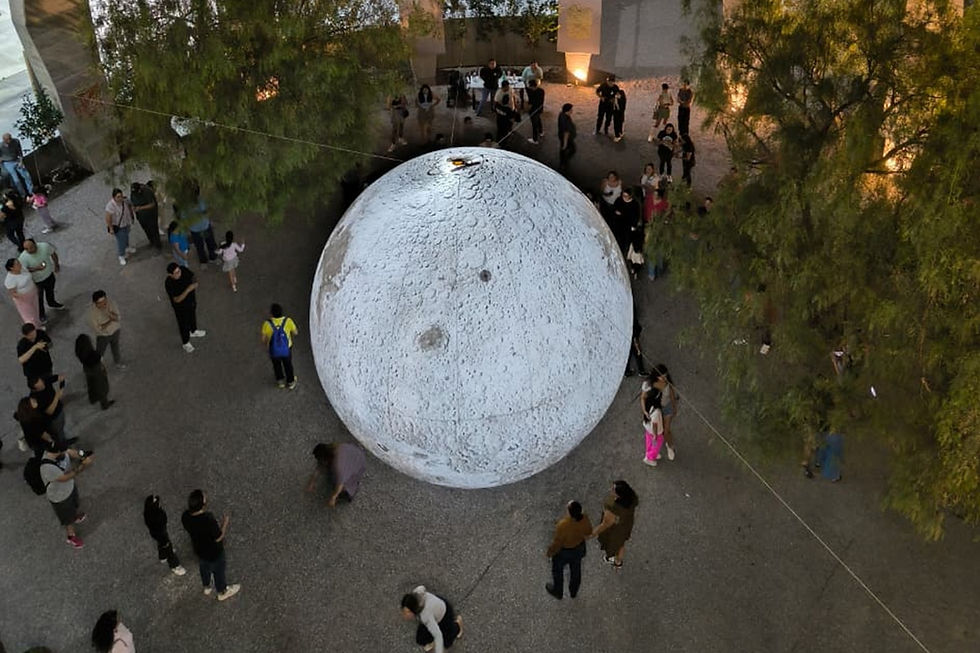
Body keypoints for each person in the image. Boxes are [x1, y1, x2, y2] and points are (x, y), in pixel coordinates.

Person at [181, 489, 241, 601]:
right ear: (202, 505)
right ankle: (222, 591)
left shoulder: (185, 516)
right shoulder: (208, 519)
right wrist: (225, 523)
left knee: (204, 569)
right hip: (214, 552)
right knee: (219, 572)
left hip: (199, 550)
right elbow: (218, 537)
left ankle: (206, 586)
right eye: (204, 498)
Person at [39, 441, 93, 549]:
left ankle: (75, 515)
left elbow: (72, 452)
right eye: (63, 450)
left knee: (75, 504)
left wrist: (83, 455)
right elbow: (66, 477)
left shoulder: (58, 450)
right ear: (56, 451)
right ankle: (71, 536)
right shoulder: (47, 468)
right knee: (67, 519)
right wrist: (83, 465)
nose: (66, 451)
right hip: (60, 497)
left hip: (70, 487)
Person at [545, 500, 593, 600]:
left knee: (557, 571)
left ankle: (558, 591)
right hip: (578, 548)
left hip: (565, 552)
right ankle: (573, 591)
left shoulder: (563, 525)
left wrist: (550, 552)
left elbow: (558, 543)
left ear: (569, 512)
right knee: (576, 570)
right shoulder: (585, 518)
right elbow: (589, 532)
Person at [590, 480, 639, 568]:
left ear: (619, 496)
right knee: (621, 543)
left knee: (613, 545)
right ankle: (618, 561)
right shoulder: (632, 498)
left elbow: (606, 524)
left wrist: (592, 534)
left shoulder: (613, 507)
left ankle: (615, 559)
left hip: (615, 530)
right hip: (626, 524)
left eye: (613, 490)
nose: (611, 490)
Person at [400, 586, 463, 653]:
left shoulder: (425, 616)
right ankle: (430, 640)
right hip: (436, 605)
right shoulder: (416, 595)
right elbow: (421, 587)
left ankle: (458, 625)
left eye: (407, 612)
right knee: (421, 638)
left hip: (444, 614)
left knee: (447, 641)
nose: (404, 615)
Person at [306, 442, 367, 507]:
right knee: (336, 474)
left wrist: (333, 497)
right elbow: (319, 467)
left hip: (358, 463)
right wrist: (312, 482)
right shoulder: (333, 449)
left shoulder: (339, 466)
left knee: (345, 486)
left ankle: (347, 493)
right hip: (353, 453)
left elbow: (340, 484)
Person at [19, 239, 65, 321]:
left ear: (35, 244)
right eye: (26, 249)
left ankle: (52, 303)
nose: (29, 250)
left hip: (49, 275)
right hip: (37, 282)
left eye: (31, 247)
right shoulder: (23, 258)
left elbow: (53, 254)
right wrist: (37, 268)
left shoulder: (44, 246)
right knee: (39, 299)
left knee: (50, 291)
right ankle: (41, 314)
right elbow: (24, 270)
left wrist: (56, 264)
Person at [165, 263, 206, 352]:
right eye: (176, 273)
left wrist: (195, 282)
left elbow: (192, 275)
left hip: (191, 301)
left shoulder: (183, 270)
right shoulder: (169, 283)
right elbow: (177, 299)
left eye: (179, 271)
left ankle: (193, 331)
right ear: (170, 275)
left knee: (192, 316)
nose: (179, 273)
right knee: (183, 324)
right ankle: (186, 342)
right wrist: (188, 290)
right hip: (181, 308)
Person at [143, 495, 187, 576]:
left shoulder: (147, 513)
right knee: (168, 547)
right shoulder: (158, 516)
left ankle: (162, 556)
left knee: (161, 544)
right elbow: (164, 520)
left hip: (155, 533)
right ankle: (175, 566)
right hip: (161, 534)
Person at [261, 303, 298, 389]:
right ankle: (291, 382)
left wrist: (267, 344)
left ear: (271, 314)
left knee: (276, 365)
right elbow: (296, 332)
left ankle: (280, 381)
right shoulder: (288, 321)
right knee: (288, 365)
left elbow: (263, 339)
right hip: (286, 348)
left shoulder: (267, 324)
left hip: (273, 349)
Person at [74, 334, 114, 410]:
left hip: (87, 369)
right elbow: (99, 361)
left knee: (91, 384)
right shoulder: (93, 354)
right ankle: (105, 405)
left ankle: (93, 399)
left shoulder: (80, 353)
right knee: (101, 387)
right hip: (96, 370)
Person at [29, 373, 69, 446]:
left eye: (42, 382)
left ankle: (64, 440)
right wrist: (57, 397)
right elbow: (49, 412)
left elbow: (56, 377)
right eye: (41, 385)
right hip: (53, 419)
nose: (44, 384)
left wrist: (61, 381)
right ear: (35, 389)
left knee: (61, 429)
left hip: (59, 410)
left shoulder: (44, 381)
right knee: (57, 433)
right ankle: (62, 446)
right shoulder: (35, 399)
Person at [88, 290, 125, 368]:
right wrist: (110, 320)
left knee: (116, 348)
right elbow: (99, 328)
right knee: (100, 352)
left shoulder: (111, 303)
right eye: (100, 303)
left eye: (104, 301)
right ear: (95, 303)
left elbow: (118, 317)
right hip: (103, 336)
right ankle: (96, 367)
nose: (103, 304)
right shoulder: (92, 314)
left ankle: (118, 362)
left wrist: (109, 314)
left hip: (115, 331)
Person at [651, 363, 679, 460]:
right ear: (656, 376)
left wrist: (674, 408)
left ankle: (670, 446)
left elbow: (672, 398)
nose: (663, 378)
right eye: (661, 376)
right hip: (657, 410)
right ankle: (664, 441)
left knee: (666, 430)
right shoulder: (652, 384)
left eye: (665, 376)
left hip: (667, 408)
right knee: (660, 430)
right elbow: (645, 397)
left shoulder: (668, 385)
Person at [104, 188, 137, 266]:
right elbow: (108, 218)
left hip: (126, 223)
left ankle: (127, 247)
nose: (120, 198)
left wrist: (132, 218)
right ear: (114, 197)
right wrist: (111, 228)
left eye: (121, 196)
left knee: (126, 236)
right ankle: (121, 255)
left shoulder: (125, 201)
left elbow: (130, 207)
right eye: (118, 197)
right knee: (121, 241)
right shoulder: (110, 205)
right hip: (118, 226)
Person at [5, 258, 41, 326]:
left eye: (19, 263)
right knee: (29, 315)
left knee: (36, 310)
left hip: (32, 292)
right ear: (11, 268)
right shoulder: (10, 280)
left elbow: (29, 275)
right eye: (17, 264)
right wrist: (24, 297)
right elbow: (13, 293)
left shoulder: (22, 268)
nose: (20, 265)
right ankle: (35, 329)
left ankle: (39, 324)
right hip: (23, 298)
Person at [183, 196, 218, 267]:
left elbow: (208, 210)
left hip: (205, 227)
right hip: (195, 230)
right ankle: (203, 261)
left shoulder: (201, 200)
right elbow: (184, 218)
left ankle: (213, 257)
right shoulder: (185, 206)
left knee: (211, 243)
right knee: (199, 246)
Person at [130, 181, 162, 251]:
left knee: (154, 230)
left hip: (151, 215)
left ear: (140, 189)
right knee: (146, 229)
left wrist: (140, 208)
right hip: (141, 216)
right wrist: (133, 207)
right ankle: (151, 242)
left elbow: (152, 204)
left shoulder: (147, 192)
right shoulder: (133, 193)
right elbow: (132, 201)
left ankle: (158, 246)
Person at [0, 133, 34, 198]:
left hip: (16, 160)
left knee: (26, 176)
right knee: (16, 180)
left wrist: (21, 162)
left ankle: (31, 192)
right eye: (7, 140)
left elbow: (20, 153)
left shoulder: (16, 141)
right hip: (7, 163)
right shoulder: (1, 146)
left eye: (10, 139)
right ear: (4, 140)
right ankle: (23, 195)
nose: (9, 141)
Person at [641, 388, 665, 467]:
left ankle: (649, 452)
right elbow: (655, 425)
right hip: (655, 432)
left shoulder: (648, 404)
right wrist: (655, 435)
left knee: (649, 441)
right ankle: (649, 458)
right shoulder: (657, 412)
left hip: (648, 428)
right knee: (656, 445)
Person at [525, 79, 545, 144]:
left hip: (533, 110)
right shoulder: (541, 91)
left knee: (534, 124)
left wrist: (528, 109)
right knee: (539, 120)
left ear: (532, 86)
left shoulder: (532, 93)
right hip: (540, 109)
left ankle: (535, 139)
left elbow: (530, 103)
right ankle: (541, 132)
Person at [558, 103, 576, 173]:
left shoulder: (561, 115)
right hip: (567, 139)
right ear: (567, 111)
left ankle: (563, 161)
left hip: (562, 136)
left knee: (563, 150)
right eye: (571, 110)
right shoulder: (566, 119)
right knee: (572, 149)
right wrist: (565, 143)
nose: (572, 111)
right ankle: (564, 163)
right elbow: (566, 132)